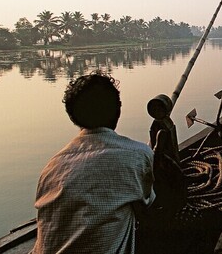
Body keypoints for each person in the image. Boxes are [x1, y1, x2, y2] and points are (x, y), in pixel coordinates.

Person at [33, 71, 160, 254]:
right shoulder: (137, 155)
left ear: (73, 117)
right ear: (118, 110)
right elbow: (149, 206)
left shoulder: (51, 166)